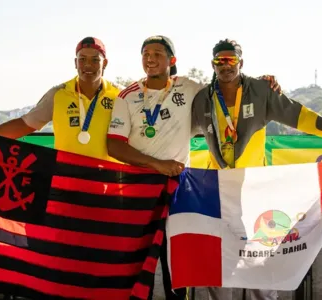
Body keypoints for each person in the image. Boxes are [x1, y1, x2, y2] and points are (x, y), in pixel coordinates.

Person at [106, 35, 281, 300]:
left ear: (171, 60)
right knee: (134, 262)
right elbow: (115, 146)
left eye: (157, 54)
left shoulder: (190, 88)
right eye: (145, 53)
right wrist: (157, 164)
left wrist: (262, 82)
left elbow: (227, 85)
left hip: (178, 190)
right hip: (137, 191)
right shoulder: (126, 96)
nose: (150, 59)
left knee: (177, 262)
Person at [191, 38, 322, 300]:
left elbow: (299, 115)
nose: (225, 65)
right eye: (220, 60)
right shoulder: (202, 99)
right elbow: (174, 131)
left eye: (231, 59)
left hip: (254, 193)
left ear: (241, 63)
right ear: (213, 64)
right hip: (217, 193)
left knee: (259, 263)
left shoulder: (260, 91)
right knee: (218, 263)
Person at [0, 37, 121, 160]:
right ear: (75, 63)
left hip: (108, 183)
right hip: (67, 182)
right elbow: (25, 124)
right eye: (82, 59)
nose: (88, 65)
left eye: (95, 60)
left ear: (105, 63)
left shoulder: (120, 95)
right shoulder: (58, 94)